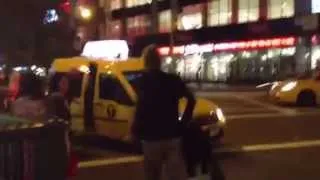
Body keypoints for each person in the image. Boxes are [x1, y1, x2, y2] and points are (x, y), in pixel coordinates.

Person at [131, 44, 196, 180]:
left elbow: (140, 109)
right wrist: (183, 122)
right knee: (176, 176)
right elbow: (191, 99)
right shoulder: (172, 80)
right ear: (159, 61)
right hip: (172, 135)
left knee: (153, 176)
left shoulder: (141, 82)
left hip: (151, 138)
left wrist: (135, 132)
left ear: (146, 62)